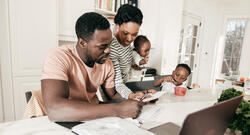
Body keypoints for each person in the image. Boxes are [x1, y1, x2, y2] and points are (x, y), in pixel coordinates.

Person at [41, 12, 143, 122]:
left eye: (109, 44)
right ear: (82, 43)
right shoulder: (59, 57)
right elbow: (54, 110)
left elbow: (112, 95)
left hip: (92, 119)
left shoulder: (107, 63)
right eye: (102, 46)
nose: (108, 50)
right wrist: (117, 110)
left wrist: (136, 98)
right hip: (65, 120)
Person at [109, 4, 156, 100]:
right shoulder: (112, 48)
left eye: (134, 34)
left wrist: (132, 64)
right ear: (117, 26)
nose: (129, 39)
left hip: (124, 87)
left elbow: (125, 60)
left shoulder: (125, 43)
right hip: (115, 92)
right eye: (125, 33)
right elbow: (117, 84)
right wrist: (133, 95)